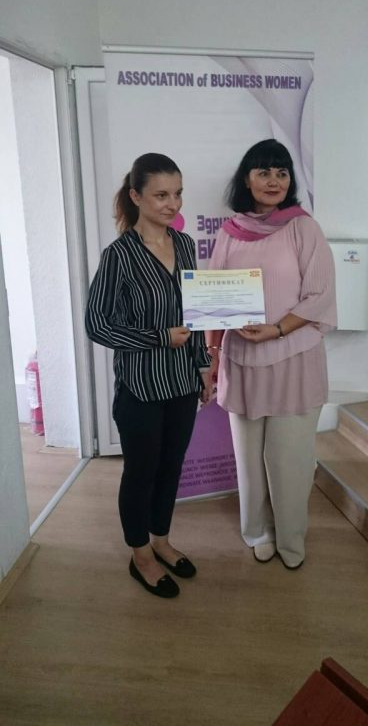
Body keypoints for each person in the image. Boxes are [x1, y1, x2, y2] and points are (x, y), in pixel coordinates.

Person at [85, 153, 211, 598]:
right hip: (140, 388)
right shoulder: (118, 256)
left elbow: (195, 314)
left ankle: (161, 539)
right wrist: (158, 337)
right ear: (136, 196)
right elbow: (97, 324)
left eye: (177, 194)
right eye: (161, 195)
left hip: (182, 384)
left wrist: (203, 366)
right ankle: (140, 554)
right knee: (141, 472)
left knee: (171, 468)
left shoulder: (186, 245)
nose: (172, 204)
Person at [207, 139, 336, 569]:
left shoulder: (303, 228)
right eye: (263, 172)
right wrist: (212, 353)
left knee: (290, 459)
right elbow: (215, 298)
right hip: (241, 361)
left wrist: (277, 329)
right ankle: (258, 531)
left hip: (294, 357)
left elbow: (320, 295)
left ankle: (290, 538)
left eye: (282, 173)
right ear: (247, 180)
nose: (273, 180)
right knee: (248, 458)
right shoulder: (229, 232)